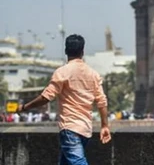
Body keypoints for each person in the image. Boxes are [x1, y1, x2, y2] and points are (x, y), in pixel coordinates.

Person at [17, 34, 111, 165]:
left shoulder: (62, 72)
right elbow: (102, 101)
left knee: (78, 162)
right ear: (82, 52)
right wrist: (104, 125)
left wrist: (25, 107)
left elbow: (46, 97)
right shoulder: (93, 74)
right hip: (85, 129)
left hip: (69, 128)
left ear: (66, 51)